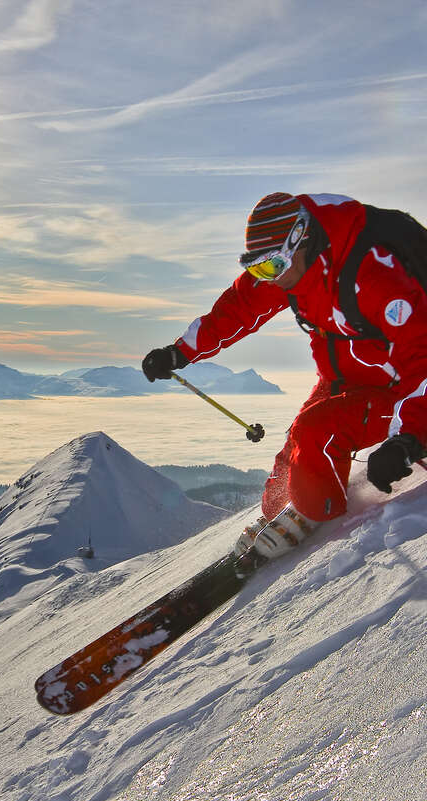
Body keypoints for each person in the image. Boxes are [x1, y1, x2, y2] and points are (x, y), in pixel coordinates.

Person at [142, 192, 427, 560]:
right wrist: (179, 352)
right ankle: (285, 516)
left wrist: (409, 438)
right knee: (288, 471)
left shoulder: (373, 273)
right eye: (258, 270)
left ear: (301, 240)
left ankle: (319, 521)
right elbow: (240, 306)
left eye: (272, 268)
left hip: (407, 392)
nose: (269, 279)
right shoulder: (288, 267)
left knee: (317, 432)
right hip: (351, 379)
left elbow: (423, 355)